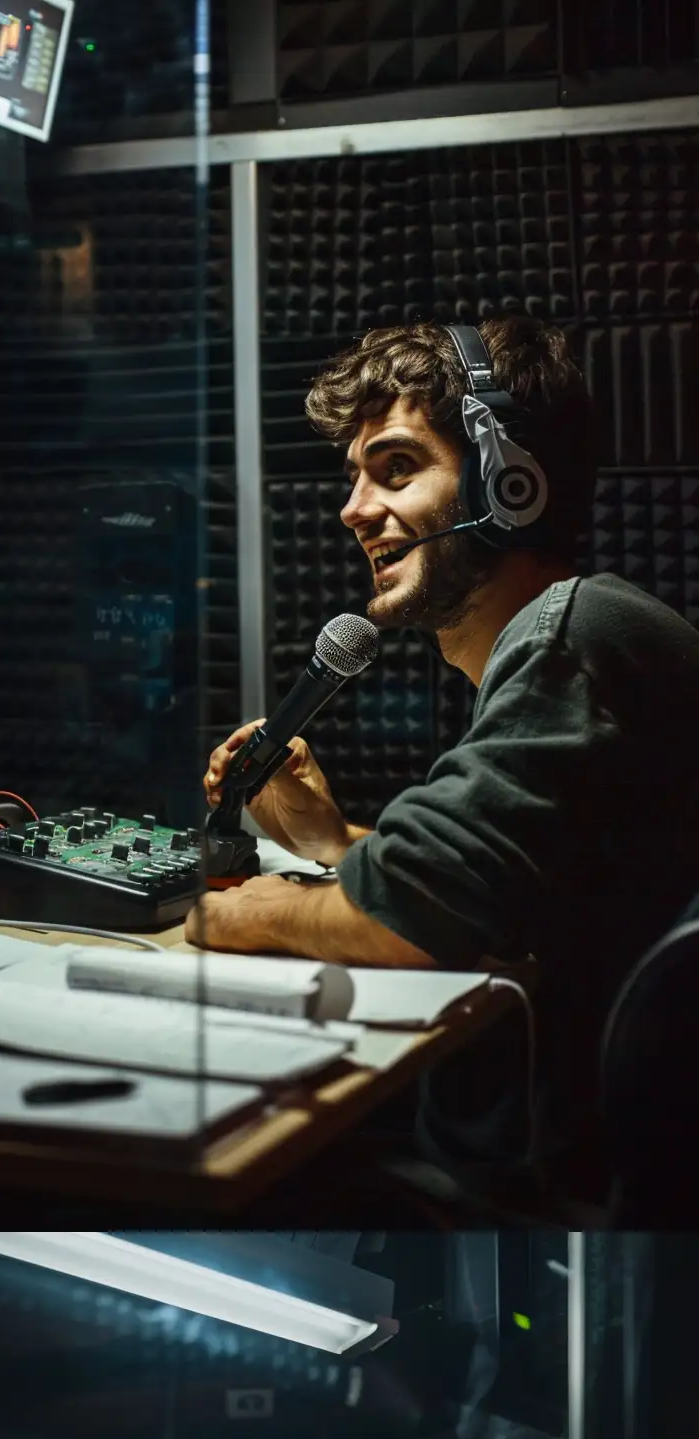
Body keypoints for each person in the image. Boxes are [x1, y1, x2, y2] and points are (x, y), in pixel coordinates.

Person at [189, 314, 699, 1207]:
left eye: (395, 468)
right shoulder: (579, 636)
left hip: (542, 1191)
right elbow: (501, 893)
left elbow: (418, 920)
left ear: (512, 483)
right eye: (353, 479)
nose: (353, 511)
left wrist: (236, 911)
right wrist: (330, 841)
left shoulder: (572, 639)